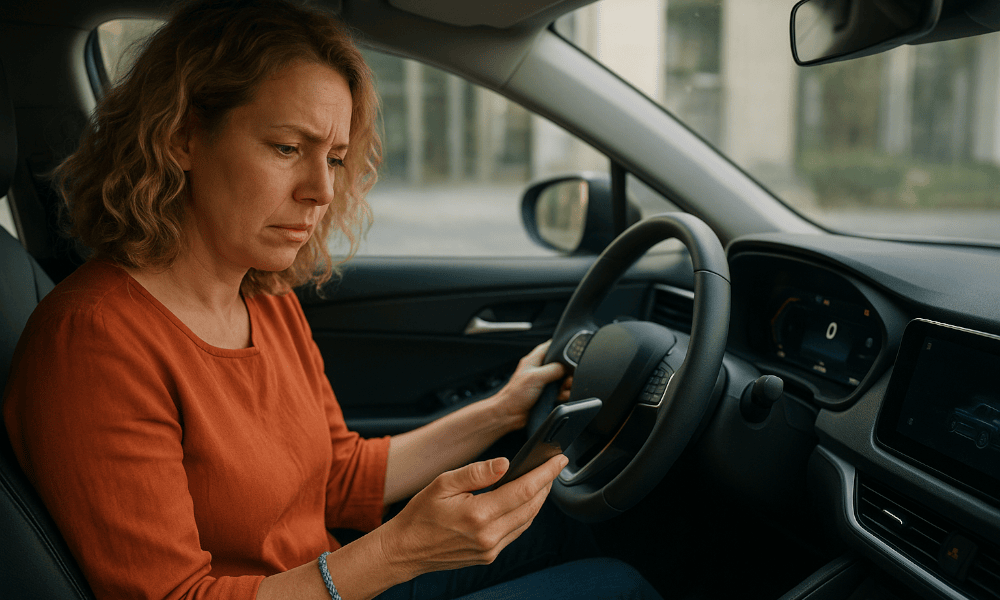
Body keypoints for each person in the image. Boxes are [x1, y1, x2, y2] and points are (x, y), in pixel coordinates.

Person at [2, 1, 664, 599]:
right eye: (289, 148)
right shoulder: (94, 343)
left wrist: (500, 412)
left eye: (337, 158)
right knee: (617, 585)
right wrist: (398, 552)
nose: (320, 190)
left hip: (329, 582)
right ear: (181, 138)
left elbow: (337, 475)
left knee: (571, 527)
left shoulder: (262, 294)